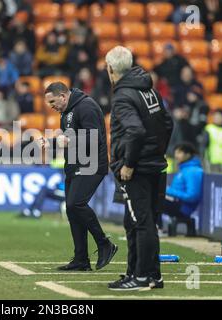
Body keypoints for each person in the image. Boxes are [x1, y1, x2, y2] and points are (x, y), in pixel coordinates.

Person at [106, 46, 173, 291]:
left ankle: (141, 277)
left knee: (140, 222)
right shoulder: (149, 91)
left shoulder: (123, 96)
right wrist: (157, 151)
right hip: (155, 165)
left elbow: (135, 131)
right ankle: (148, 274)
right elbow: (168, 122)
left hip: (138, 170)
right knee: (138, 222)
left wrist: (129, 163)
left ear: (110, 69)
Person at [40, 82, 117, 271]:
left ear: (63, 97)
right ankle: (81, 259)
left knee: (76, 204)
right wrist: (53, 142)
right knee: (73, 210)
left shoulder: (87, 106)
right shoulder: (66, 111)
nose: (51, 106)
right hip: (75, 165)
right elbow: (69, 140)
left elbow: (95, 138)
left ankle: (104, 243)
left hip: (91, 165)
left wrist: (65, 141)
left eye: (52, 101)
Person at [165, 143, 204, 237]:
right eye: (175, 152)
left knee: (154, 199)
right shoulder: (184, 169)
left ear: (188, 154)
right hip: (177, 203)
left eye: (179, 152)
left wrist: (167, 190)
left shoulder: (193, 171)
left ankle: (158, 229)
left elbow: (192, 196)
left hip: (183, 207)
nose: (176, 155)